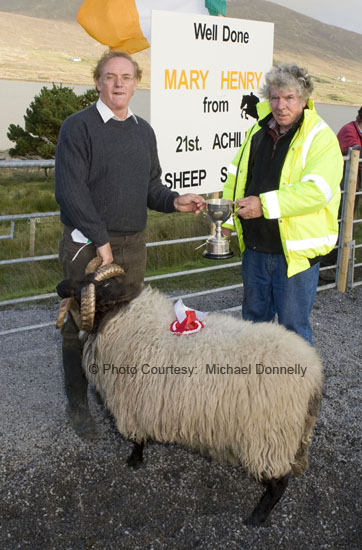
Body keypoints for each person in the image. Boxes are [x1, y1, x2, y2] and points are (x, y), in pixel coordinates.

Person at [55, 51, 204, 439]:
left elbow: (150, 187)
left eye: (126, 76)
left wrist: (174, 201)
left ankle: (114, 397)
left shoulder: (143, 132)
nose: (118, 83)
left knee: (124, 324)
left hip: (132, 246)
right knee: (80, 323)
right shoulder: (78, 127)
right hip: (87, 247)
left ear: (136, 82)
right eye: (109, 76)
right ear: (97, 82)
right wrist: (101, 242)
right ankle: (78, 404)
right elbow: (71, 192)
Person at [222, 63, 343, 345]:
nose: (281, 105)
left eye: (289, 98)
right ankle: (255, 386)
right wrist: (226, 224)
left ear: (303, 99)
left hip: (295, 256)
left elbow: (317, 191)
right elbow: (236, 180)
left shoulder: (320, 137)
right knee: (252, 327)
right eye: (275, 97)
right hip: (255, 248)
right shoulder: (257, 131)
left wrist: (263, 205)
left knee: (293, 332)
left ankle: (300, 389)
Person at [319, 106, 362, 280]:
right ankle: (327, 267)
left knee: (348, 223)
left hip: (355, 183)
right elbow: (355, 151)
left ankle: (342, 264)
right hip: (343, 183)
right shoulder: (348, 131)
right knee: (341, 223)